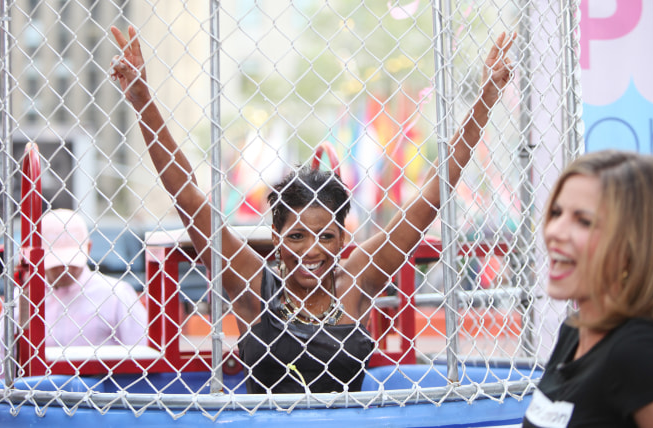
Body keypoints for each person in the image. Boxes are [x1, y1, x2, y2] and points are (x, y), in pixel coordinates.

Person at [110, 25, 515, 393]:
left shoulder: (358, 280)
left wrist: (484, 102)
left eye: (325, 235)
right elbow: (188, 198)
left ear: (343, 238)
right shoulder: (252, 287)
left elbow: (432, 196)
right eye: (297, 235)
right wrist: (143, 100)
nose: (311, 250)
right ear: (276, 238)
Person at [522, 150, 653, 428]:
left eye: (583, 221)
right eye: (557, 213)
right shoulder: (574, 330)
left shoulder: (639, 350)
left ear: (635, 245)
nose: (555, 232)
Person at [0, 209, 149, 382]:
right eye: (56, 262)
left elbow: (145, 359)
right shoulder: (22, 299)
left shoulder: (116, 294)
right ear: (36, 254)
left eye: (71, 261)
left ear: (88, 248)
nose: (64, 269)